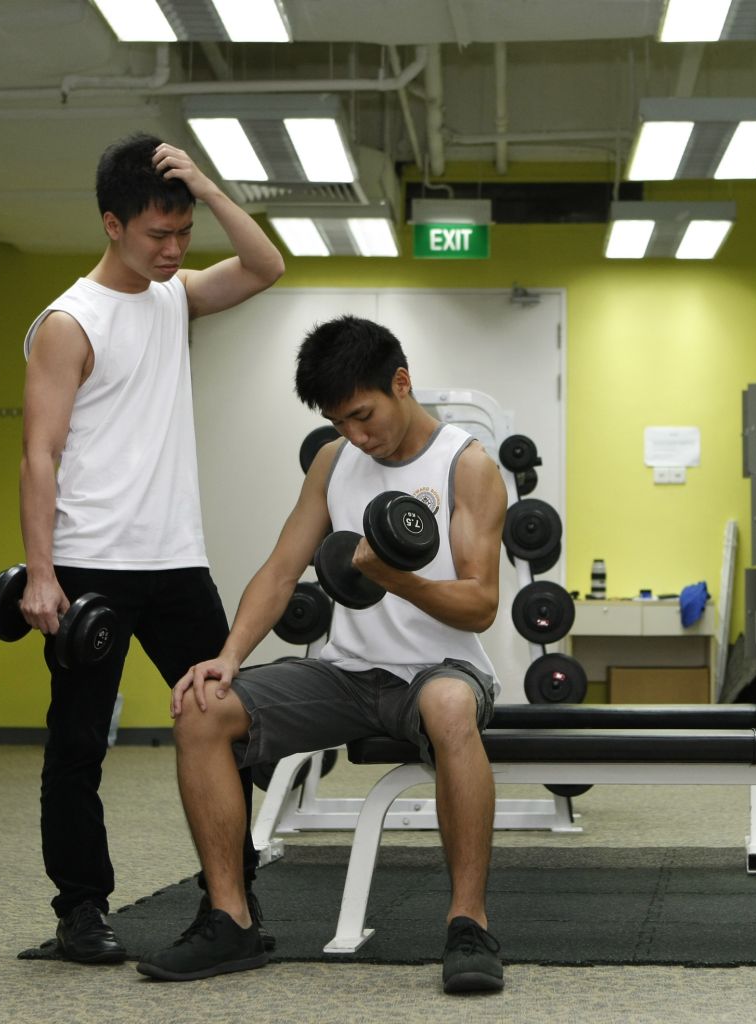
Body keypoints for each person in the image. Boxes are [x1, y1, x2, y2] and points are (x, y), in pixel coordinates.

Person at [135, 316, 508, 994]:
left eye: (364, 416)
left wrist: (397, 578)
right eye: (342, 423)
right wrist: (228, 655)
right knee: (201, 708)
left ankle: (469, 925)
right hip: (348, 673)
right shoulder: (334, 463)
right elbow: (282, 570)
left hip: (440, 671)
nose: (358, 436)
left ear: (402, 382)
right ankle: (231, 919)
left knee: (450, 703)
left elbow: (480, 603)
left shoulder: (468, 468)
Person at [20, 133, 284, 963]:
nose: (173, 252)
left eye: (182, 234)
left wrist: (207, 186)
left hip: (175, 561)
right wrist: (40, 573)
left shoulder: (174, 295)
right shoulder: (69, 323)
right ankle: (81, 909)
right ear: (111, 224)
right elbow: (39, 452)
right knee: (78, 742)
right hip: (92, 559)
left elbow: (266, 265)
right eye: (155, 236)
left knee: (224, 724)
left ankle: (231, 898)